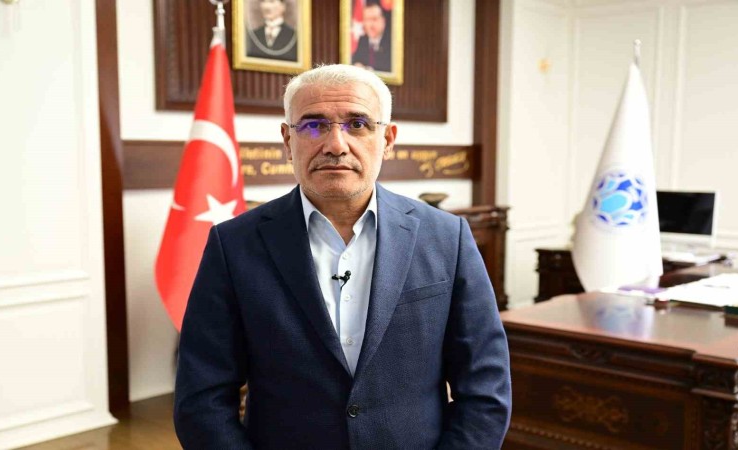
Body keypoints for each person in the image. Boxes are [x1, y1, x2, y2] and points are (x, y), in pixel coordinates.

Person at [174, 64, 511, 449]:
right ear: (287, 140)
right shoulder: (233, 244)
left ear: (388, 139)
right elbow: (201, 400)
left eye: (358, 124)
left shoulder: (448, 238)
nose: (335, 144)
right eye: (313, 125)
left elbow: (486, 389)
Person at [352, 2, 391, 72]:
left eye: (374, 19)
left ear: (383, 21)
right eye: (367, 20)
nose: (371, 25)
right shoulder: (361, 41)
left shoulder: (391, 43)